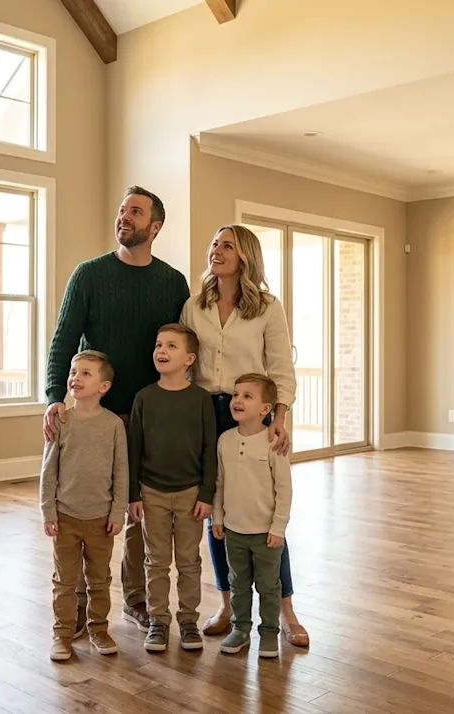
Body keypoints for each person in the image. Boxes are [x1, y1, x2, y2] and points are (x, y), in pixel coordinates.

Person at [43, 186, 191, 636]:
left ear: (155, 226)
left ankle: (136, 600)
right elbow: (63, 339)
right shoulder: (88, 275)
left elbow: (180, 347)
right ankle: (80, 608)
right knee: (84, 507)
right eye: (123, 210)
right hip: (93, 414)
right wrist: (54, 396)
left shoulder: (173, 282)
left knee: (134, 510)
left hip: (148, 417)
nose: (125, 217)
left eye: (136, 212)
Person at [179, 224, 310, 647]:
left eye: (227, 245)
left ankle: (285, 609)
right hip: (203, 414)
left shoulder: (268, 308)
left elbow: (281, 370)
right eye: (214, 243)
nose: (216, 250)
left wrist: (280, 418)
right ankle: (227, 604)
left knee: (262, 511)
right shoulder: (193, 306)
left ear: (246, 257)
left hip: (252, 413)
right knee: (219, 513)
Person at [127, 323, 217, 652]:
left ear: (190, 358)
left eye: (171, 346)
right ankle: (158, 621)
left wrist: (207, 494)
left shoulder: (201, 400)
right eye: (158, 345)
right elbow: (134, 450)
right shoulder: (144, 398)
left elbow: (210, 450)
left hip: (191, 494)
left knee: (189, 561)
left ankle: (189, 619)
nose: (161, 351)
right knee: (156, 560)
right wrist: (133, 494)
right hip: (151, 493)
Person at [39, 351, 128, 661]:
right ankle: (62, 634)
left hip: (101, 520)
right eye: (74, 372)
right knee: (64, 581)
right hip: (65, 518)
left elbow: (121, 472)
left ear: (104, 386)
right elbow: (48, 471)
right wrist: (48, 511)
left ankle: (99, 629)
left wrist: (118, 512)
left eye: (86, 373)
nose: (75, 378)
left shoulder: (114, 425)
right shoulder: (61, 421)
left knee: (100, 580)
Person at [212, 373, 293, 658]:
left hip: (266, 534)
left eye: (247, 396)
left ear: (265, 409)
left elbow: (284, 490)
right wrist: (218, 518)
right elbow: (220, 483)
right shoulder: (224, 440)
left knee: (269, 586)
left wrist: (278, 527)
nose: (237, 400)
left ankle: (269, 632)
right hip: (234, 531)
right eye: (236, 394)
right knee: (239, 583)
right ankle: (240, 629)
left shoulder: (274, 443)